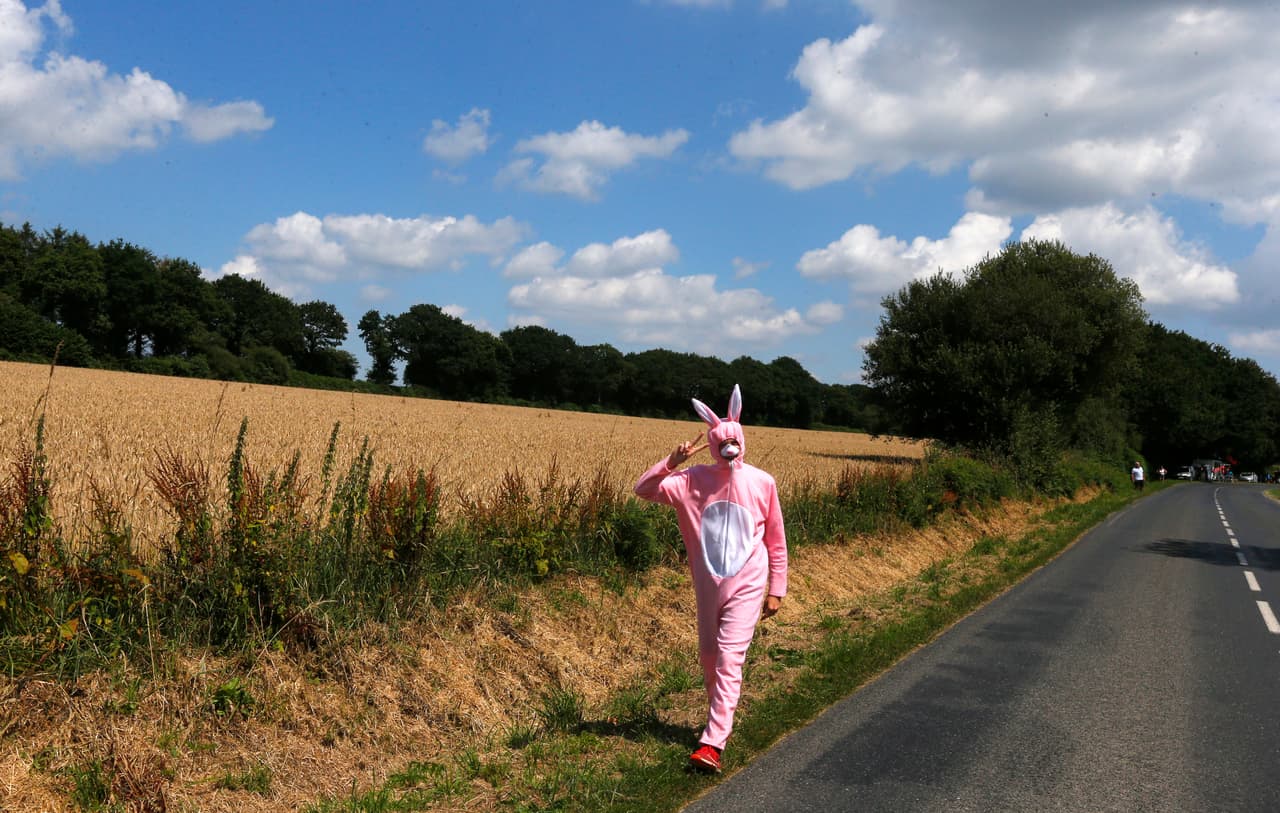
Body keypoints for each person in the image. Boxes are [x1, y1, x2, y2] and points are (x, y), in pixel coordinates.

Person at [634, 385, 787, 774]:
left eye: (735, 441)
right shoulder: (689, 481)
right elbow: (644, 489)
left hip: (749, 581)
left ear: (742, 440)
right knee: (709, 655)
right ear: (715, 442)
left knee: (730, 658)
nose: (730, 448)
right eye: (725, 442)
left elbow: (775, 539)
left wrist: (777, 589)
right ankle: (716, 719)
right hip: (708, 585)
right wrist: (670, 462)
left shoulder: (762, 482)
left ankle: (712, 742)